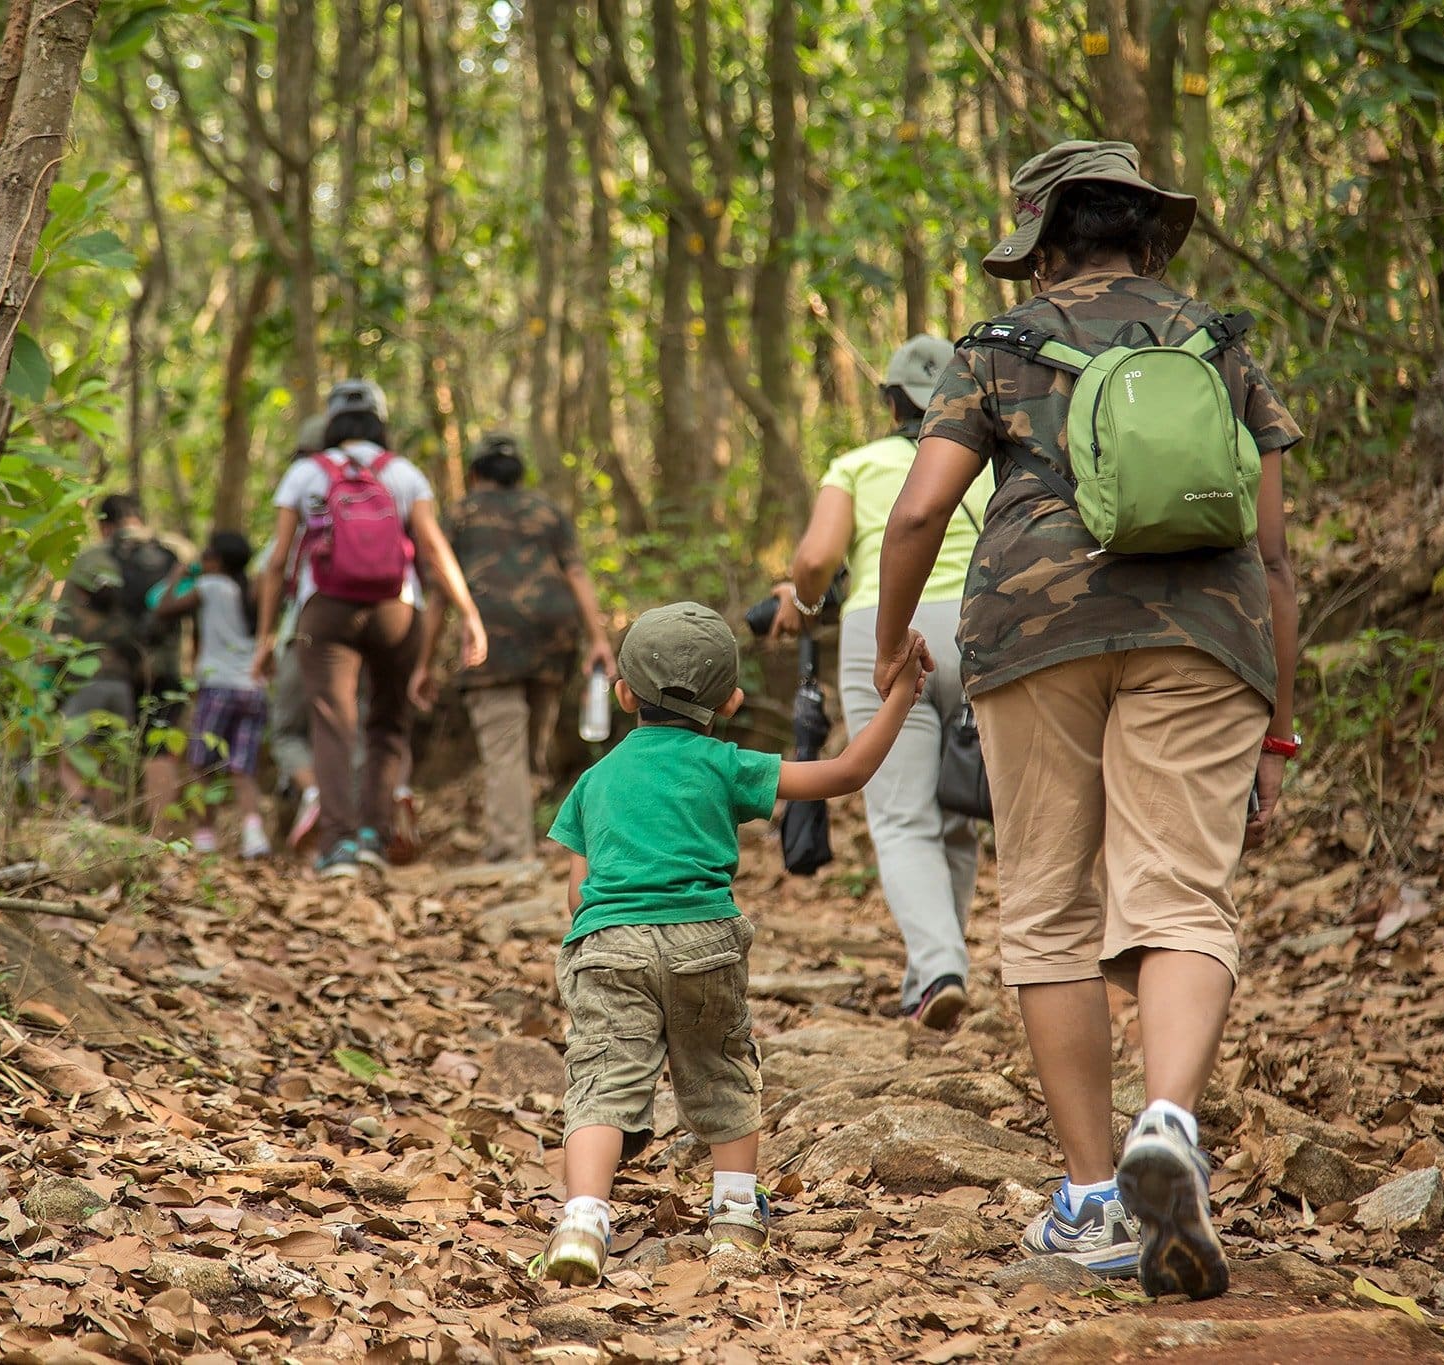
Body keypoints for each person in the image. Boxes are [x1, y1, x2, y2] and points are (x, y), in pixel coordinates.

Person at [872, 141, 1302, 1300]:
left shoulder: (999, 346)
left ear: (1043, 244)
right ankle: (1166, 1120)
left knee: (1052, 902)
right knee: (1180, 897)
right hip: (1204, 629)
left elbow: (916, 514)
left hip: (1029, 634)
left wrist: (888, 644)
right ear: (1153, 235)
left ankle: (1091, 1198)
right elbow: (1269, 550)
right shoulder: (1217, 345)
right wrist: (1276, 724)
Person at [540, 602, 928, 1286]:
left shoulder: (593, 781)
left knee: (600, 1081)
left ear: (624, 693)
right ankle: (735, 1216)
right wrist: (900, 694)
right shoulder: (725, 764)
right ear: (733, 699)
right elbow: (844, 772)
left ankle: (581, 1219)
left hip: (609, 943)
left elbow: (577, 894)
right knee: (722, 1068)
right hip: (704, 943)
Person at [768, 336, 996, 1031]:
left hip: (887, 627)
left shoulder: (859, 464)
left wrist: (800, 607)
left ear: (890, 399)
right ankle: (931, 968)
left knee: (901, 817)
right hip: (983, 626)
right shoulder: (986, 463)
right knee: (958, 814)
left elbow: (814, 560)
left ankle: (938, 969)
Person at [250, 379, 488, 878]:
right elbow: (434, 550)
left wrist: (267, 637)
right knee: (387, 724)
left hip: (325, 611)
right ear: (381, 421)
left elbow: (276, 563)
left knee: (332, 723)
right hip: (396, 611)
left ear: (332, 421)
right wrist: (469, 615)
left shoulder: (305, 472)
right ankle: (374, 840)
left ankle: (336, 847)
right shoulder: (402, 472)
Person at [419, 432, 616, 865]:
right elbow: (578, 575)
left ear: (474, 474)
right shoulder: (548, 512)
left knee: (506, 747)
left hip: (490, 642)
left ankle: (511, 852)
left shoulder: (461, 514)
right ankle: (520, 839)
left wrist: (424, 663)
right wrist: (598, 639)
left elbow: (438, 596)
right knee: (529, 748)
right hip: (553, 638)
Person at [55, 493, 194, 824]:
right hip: (163, 669)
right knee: (159, 752)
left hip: (109, 669)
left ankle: (97, 829)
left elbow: (64, 621)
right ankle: (161, 838)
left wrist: (55, 672)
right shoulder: (176, 554)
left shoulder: (93, 559)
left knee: (96, 750)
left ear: (104, 525)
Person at [154, 531, 271, 859]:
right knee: (242, 768)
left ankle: (205, 836)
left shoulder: (210, 586)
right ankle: (254, 835)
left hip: (218, 684)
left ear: (216, 561)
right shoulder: (251, 590)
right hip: (252, 686)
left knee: (203, 765)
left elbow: (163, 609)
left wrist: (176, 575)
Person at [254, 413, 331, 847]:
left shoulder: (299, 505)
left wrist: (264, 640)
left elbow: (271, 569)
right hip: (368, 633)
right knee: (344, 727)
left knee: (287, 730)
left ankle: (313, 791)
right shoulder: (379, 487)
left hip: (301, 632)